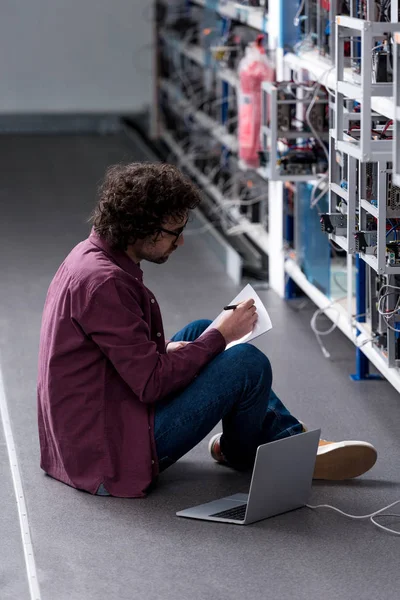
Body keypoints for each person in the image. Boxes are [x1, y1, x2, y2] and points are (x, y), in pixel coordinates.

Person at [37, 162, 377, 498]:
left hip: (92, 430)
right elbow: (151, 385)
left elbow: (107, 356)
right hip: (109, 458)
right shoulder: (105, 283)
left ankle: (283, 438)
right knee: (245, 362)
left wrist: (179, 346)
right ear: (143, 228)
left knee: (199, 331)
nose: (181, 242)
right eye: (175, 232)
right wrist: (222, 336)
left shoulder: (90, 256)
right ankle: (250, 450)